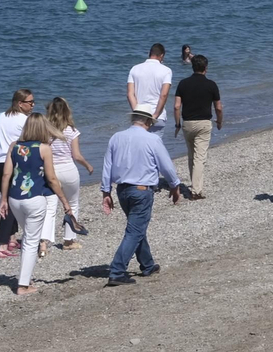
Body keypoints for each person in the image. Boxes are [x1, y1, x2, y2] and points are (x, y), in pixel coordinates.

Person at [101, 109, 182, 286]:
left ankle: (147, 265)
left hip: (122, 190)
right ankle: (117, 270)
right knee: (135, 230)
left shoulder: (116, 137)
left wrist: (106, 192)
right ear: (149, 122)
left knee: (136, 228)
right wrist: (175, 186)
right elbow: (166, 166)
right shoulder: (152, 139)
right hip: (142, 190)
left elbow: (107, 166)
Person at [0, 114, 73, 295]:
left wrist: (3, 199)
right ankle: (23, 285)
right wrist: (64, 201)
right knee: (31, 241)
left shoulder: (14, 146)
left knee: (28, 238)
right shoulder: (44, 149)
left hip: (15, 200)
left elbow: (6, 175)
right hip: (35, 199)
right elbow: (52, 179)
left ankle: (26, 277)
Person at [0, 88, 33, 258]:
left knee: (8, 198)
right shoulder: (25, 120)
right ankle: (2, 245)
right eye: (30, 102)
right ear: (20, 103)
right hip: (12, 164)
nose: (33, 105)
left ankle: (11, 238)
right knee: (11, 203)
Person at [43, 98, 93, 252]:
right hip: (68, 170)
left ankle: (43, 242)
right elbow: (76, 155)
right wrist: (88, 165)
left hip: (51, 170)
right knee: (72, 204)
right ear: (67, 111)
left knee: (49, 207)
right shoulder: (71, 130)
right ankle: (68, 240)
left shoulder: (45, 130)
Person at [172, 54, 222, 200]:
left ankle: (195, 185)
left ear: (192, 67)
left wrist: (177, 124)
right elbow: (218, 107)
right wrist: (219, 121)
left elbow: (176, 106)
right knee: (200, 157)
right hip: (204, 124)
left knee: (191, 155)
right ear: (205, 68)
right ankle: (196, 191)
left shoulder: (183, 83)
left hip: (187, 123)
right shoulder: (211, 85)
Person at [126, 43, 173, 132]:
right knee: (154, 144)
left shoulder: (135, 69)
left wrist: (137, 111)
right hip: (158, 117)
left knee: (138, 144)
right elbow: (164, 95)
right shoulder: (166, 71)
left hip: (139, 115)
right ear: (162, 55)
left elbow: (130, 94)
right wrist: (155, 115)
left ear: (149, 53)